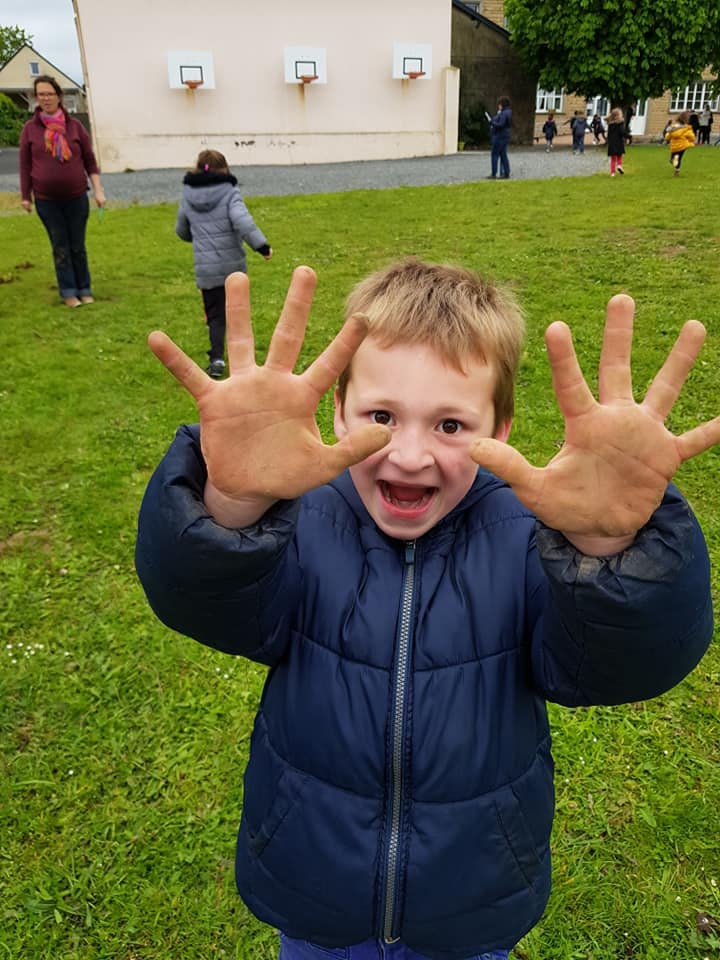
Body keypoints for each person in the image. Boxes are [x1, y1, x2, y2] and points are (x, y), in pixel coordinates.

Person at [136, 258, 719, 960]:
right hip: (316, 882)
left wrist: (604, 547)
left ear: (500, 426)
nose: (409, 456)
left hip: (469, 896)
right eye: (381, 416)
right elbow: (208, 605)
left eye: (449, 424)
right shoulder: (302, 521)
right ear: (338, 410)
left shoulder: (527, 539)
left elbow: (615, 665)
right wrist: (232, 506)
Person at [176, 149, 272, 379]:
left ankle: (217, 359)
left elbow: (181, 229)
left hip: (206, 269)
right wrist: (262, 246)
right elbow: (242, 221)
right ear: (225, 168)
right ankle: (242, 357)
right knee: (237, 311)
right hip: (232, 268)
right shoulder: (230, 191)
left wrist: (198, 237)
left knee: (215, 316)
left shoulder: (188, 194)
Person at [19, 75, 106, 307]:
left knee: (77, 246)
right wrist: (25, 196)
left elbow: (90, 161)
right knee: (60, 245)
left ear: (59, 96)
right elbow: (25, 165)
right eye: (41, 94)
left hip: (76, 197)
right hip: (47, 201)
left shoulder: (75, 127)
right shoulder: (30, 129)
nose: (45, 98)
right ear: (36, 98)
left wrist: (98, 191)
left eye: (50, 94)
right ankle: (68, 292)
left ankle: (84, 289)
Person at [664, 112, 696, 176]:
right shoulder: (686, 128)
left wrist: (667, 138)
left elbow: (668, 136)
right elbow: (692, 137)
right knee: (678, 158)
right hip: (682, 146)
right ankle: (677, 170)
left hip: (674, 146)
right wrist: (691, 141)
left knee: (674, 159)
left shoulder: (673, 128)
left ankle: (675, 168)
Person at [489, 96, 512, 179]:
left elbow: (500, 124)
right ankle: (506, 173)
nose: (498, 106)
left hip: (500, 136)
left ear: (502, 104)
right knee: (503, 155)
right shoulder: (509, 112)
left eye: (499, 104)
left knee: (495, 154)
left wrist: (492, 122)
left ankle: (494, 173)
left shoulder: (504, 113)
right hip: (506, 136)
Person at [606, 107, 626, 176]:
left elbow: (608, 134)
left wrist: (608, 141)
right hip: (618, 142)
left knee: (613, 159)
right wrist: (628, 136)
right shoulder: (620, 123)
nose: (622, 115)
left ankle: (612, 173)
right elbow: (622, 132)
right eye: (621, 114)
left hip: (612, 143)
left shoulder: (610, 124)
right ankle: (619, 165)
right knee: (619, 155)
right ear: (617, 116)